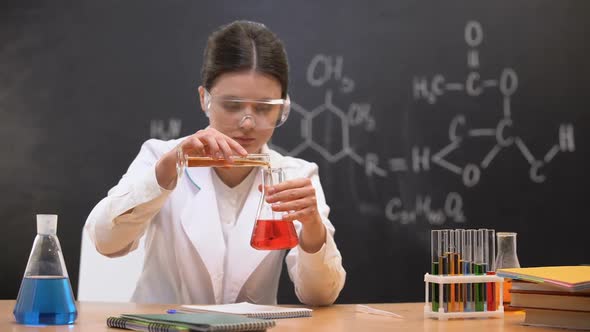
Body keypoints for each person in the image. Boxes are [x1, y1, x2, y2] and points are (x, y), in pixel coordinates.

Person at [85, 20, 346, 305]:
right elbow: (105, 242)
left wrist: (312, 228)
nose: (247, 122)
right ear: (204, 99)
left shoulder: (296, 174)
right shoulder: (160, 157)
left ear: (282, 108)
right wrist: (165, 172)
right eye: (232, 105)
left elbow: (320, 296)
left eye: (263, 108)